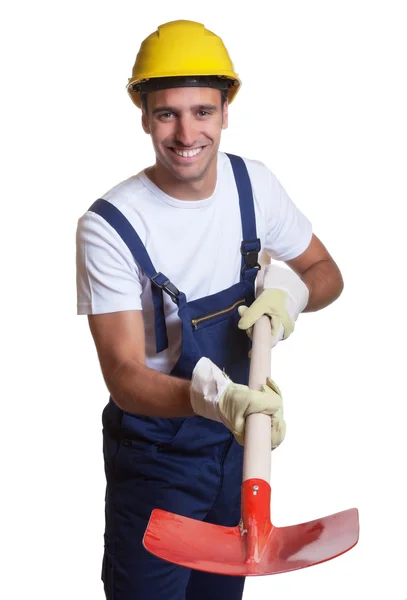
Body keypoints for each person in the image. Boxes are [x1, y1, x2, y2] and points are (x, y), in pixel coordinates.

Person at [76, 19, 344, 600]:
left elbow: (327, 275)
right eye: (167, 112)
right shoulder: (112, 226)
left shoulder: (254, 186)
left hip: (236, 449)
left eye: (202, 111)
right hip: (156, 456)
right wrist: (217, 398)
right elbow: (124, 376)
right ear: (144, 114)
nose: (185, 131)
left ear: (226, 111)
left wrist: (289, 295)